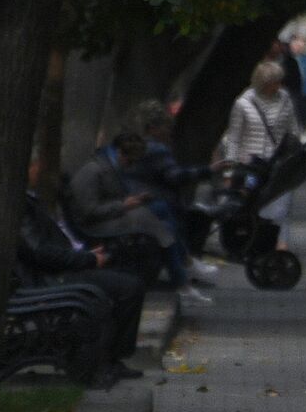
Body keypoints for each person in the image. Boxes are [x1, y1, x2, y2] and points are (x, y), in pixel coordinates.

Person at [18, 156, 147, 388]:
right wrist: (86, 259)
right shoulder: (20, 204)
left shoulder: (28, 199)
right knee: (126, 288)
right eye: (36, 164)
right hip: (50, 278)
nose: (40, 170)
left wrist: (86, 255)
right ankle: (105, 360)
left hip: (62, 268)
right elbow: (39, 252)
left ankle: (111, 358)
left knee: (128, 280)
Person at [65, 132, 212, 305]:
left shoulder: (110, 167)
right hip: (95, 225)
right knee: (157, 224)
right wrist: (124, 205)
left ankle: (183, 271)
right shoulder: (94, 170)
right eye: (129, 161)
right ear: (120, 153)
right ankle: (183, 277)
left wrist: (133, 201)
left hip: (109, 216)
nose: (129, 166)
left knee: (158, 214)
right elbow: (88, 212)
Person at [129, 100, 228, 281]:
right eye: (165, 127)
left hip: (141, 198)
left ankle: (186, 261)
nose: (168, 132)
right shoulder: (156, 149)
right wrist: (208, 170)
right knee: (180, 216)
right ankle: (186, 262)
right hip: (153, 202)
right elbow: (174, 175)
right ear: (153, 128)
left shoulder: (138, 146)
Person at [223, 60, 301, 250]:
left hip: (278, 164)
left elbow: (293, 130)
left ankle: (280, 247)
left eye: (280, 81)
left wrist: (293, 154)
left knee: (281, 207)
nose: (279, 86)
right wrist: (230, 170)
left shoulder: (285, 100)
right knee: (252, 207)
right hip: (250, 166)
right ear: (263, 84)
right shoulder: (243, 104)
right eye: (275, 82)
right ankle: (255, 244)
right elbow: (234, 138)